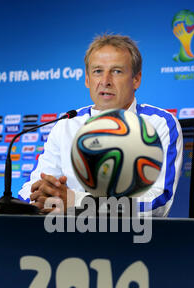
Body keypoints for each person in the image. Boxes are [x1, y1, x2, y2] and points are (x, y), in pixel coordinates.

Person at [18, 34, 183, 216]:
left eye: (117, 71)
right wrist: (44, 196)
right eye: (97, 71)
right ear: (87, 80)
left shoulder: (159, 124)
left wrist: (76, 201)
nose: (105, 81)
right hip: (65, 236)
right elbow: (29, 190)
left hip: (130, 239)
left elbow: (158, 203)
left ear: (136, 79)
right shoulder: (67, 124)